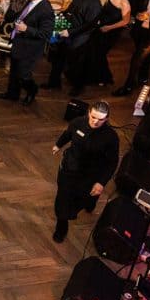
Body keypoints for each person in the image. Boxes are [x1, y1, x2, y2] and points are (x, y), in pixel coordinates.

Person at [52, 101, 119, 242]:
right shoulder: (77, 123)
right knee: (62, 198)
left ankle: (90, 202)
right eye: (93, 117)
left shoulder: (111, 137)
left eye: (100, 119)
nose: (95, 122)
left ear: (106, 119)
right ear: (89, 112)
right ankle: (61, 226)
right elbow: (68, 134)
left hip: (90, 175)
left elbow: (112, 162)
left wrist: (101, 183)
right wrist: (58, 145)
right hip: (69, 169)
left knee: (86, 197)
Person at [0, 0, 55, 106]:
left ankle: (32, 90)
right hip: (19, 42)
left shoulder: (46, 11)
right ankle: (12, 94)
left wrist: (27, 29)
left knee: (23, 75)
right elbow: (21, 15)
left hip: (30, 49)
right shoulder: (31, 1)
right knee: (14, 70)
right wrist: (3, 18)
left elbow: (45, 34)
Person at [43, 0, 103, 95]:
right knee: (58, 56)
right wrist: (59, 19)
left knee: (75, 64)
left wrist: (69, 32)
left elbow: (88, 26)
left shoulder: (95, 5)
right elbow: (70, 10)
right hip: (67, 29)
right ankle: (54, 82)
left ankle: (78, 87)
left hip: (80, 37)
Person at [87, 0, 131, 88]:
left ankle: (105, 78)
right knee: (95, 52)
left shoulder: (124, 2)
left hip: (112, 32)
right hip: (100, 29)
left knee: (101, 54)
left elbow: (126, 21)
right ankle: (97, 76)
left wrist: (109, 27)